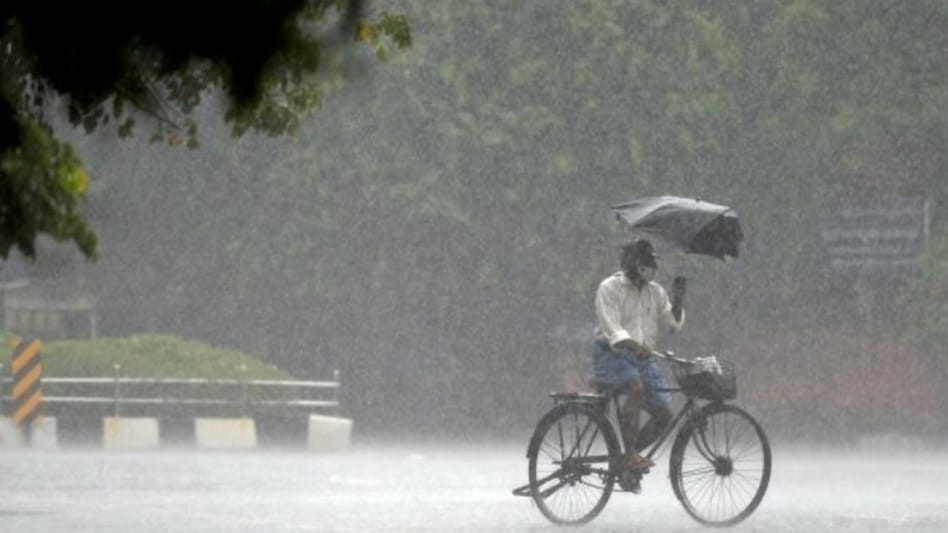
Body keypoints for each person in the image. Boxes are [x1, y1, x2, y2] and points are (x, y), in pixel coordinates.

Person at [592, 239, 686, 492]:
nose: (647, 270)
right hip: (612, 355)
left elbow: (672, 324)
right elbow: (612, 329)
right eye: (643, 264)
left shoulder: (655, 292)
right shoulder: (610, 287)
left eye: (650, 264)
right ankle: (631, 454)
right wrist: (634, 346)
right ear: (630, 264)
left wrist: (678, 299)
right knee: (635, 388)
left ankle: (625, 459)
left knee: (665, 416)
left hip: (643, 358)